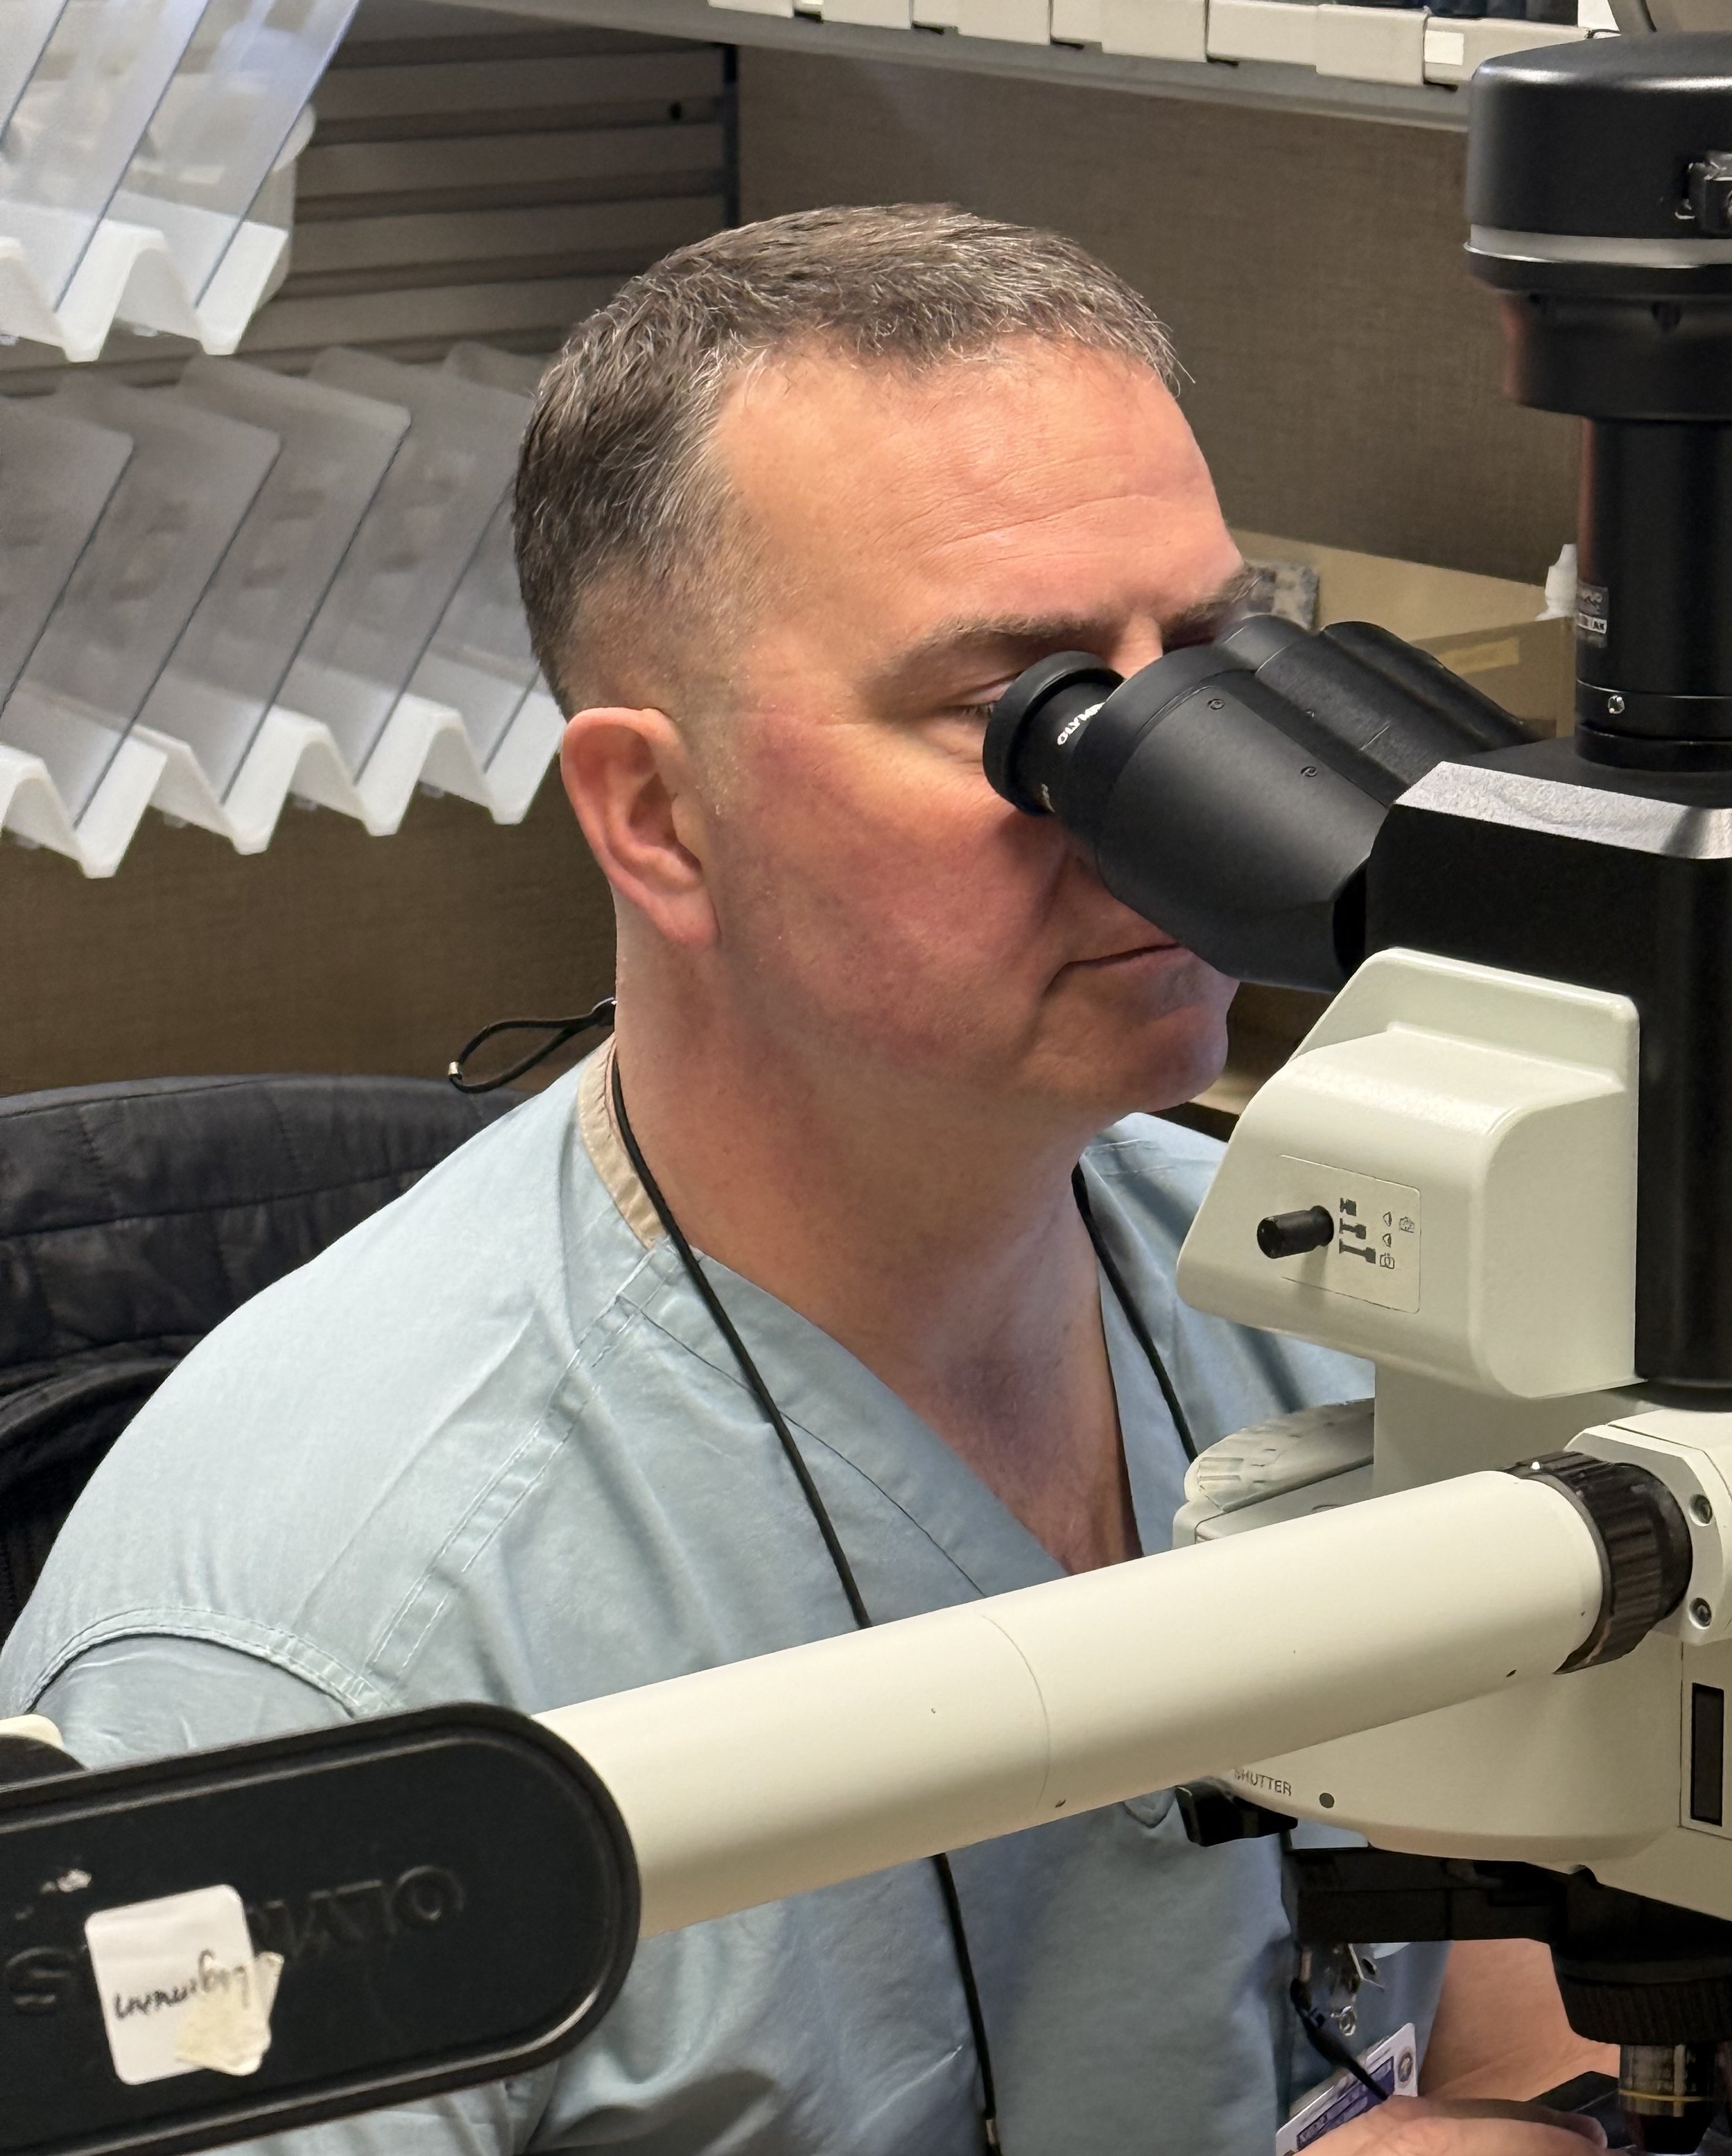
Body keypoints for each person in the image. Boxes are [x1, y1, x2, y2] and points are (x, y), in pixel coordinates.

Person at [1, 207, 1610, 2155]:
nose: (1185, 805)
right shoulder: (315, 1660)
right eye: (1028, 712)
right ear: (657, 816)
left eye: (1205, 659)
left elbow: (1537, 2020)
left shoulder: (1304, 1293)